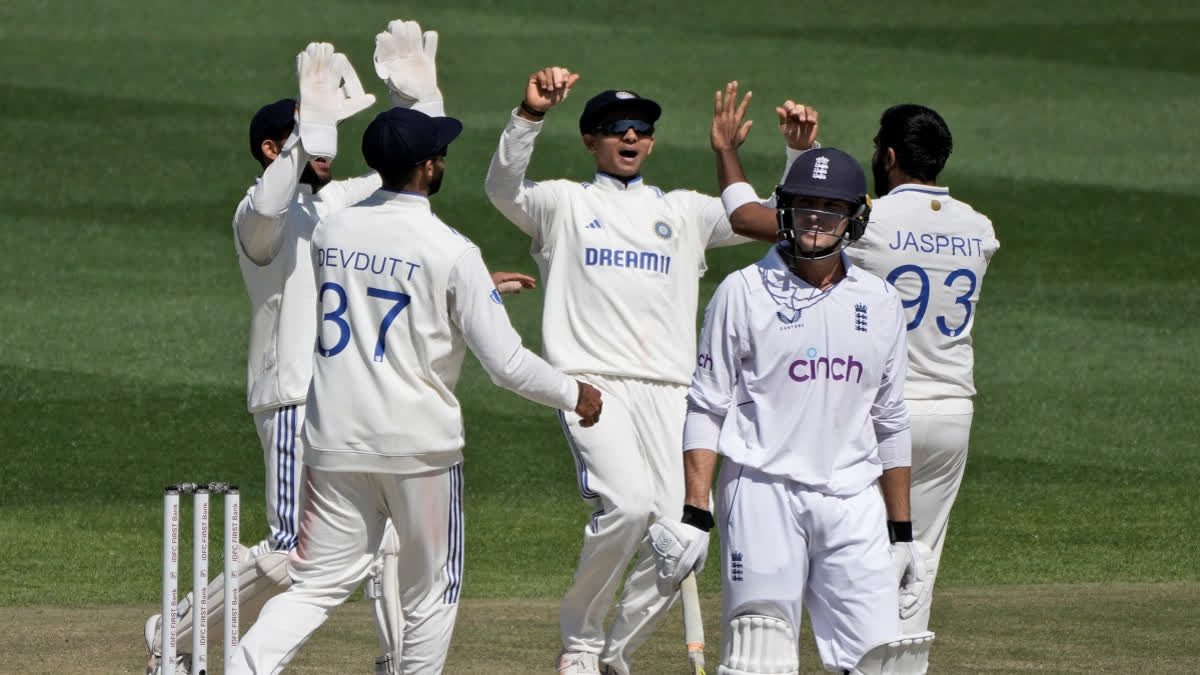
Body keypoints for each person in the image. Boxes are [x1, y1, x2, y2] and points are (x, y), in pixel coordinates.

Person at [145, 26, 535, 675]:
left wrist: (419, 99)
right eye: (301, 129)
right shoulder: (257, 217)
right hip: (295, 396)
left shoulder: (332, 205)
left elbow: (406, 180)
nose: (323, 143)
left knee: (380, 546)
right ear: (274, 146)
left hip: (346, 398)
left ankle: (394, 658)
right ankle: (175, 631)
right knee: (287, 549)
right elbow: (274, 197)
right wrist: (308, 136)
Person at [228, 103, 603, 674]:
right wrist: (575, 393)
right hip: (420, 451)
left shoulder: (331, 230)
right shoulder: (451, 250)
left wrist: (464, 295)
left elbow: (380, 288)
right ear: (428, 168)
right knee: (431, 593)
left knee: (313, 585)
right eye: (439, 153)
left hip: (334, 443)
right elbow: (505, 364)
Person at [484, 71, 795, 674]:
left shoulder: (684, 211)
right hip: (593, 385)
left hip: (673, 391)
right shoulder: (563, 203)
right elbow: (502, 187)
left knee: (685, 538)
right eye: (614, 129)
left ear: (652, 142)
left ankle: (613, 652)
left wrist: (794, 153)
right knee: (626, 507)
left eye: (642, 129)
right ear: (589, 140)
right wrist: (529, 113)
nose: (630, 136)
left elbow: (771, 219)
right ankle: (579, 643)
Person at [649, 92, 934, 670]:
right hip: (762, 491)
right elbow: (707, 407)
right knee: (760, 653)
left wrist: (901, 532)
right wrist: (695, 512)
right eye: (803, 207)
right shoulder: (742, 293)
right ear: (784, 209)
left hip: (853, 499)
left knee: (883, 661)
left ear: (854, 217)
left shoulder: (880, 302)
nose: (815, 221)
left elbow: (891, 419)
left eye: (830, 210)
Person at [842, 104, 999, 642]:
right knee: (918, 560)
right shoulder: (979, 227)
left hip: (884, 413)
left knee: (862, 554)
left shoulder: (870, 221)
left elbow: (799, 239)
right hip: (953, 411)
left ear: (887, 156)